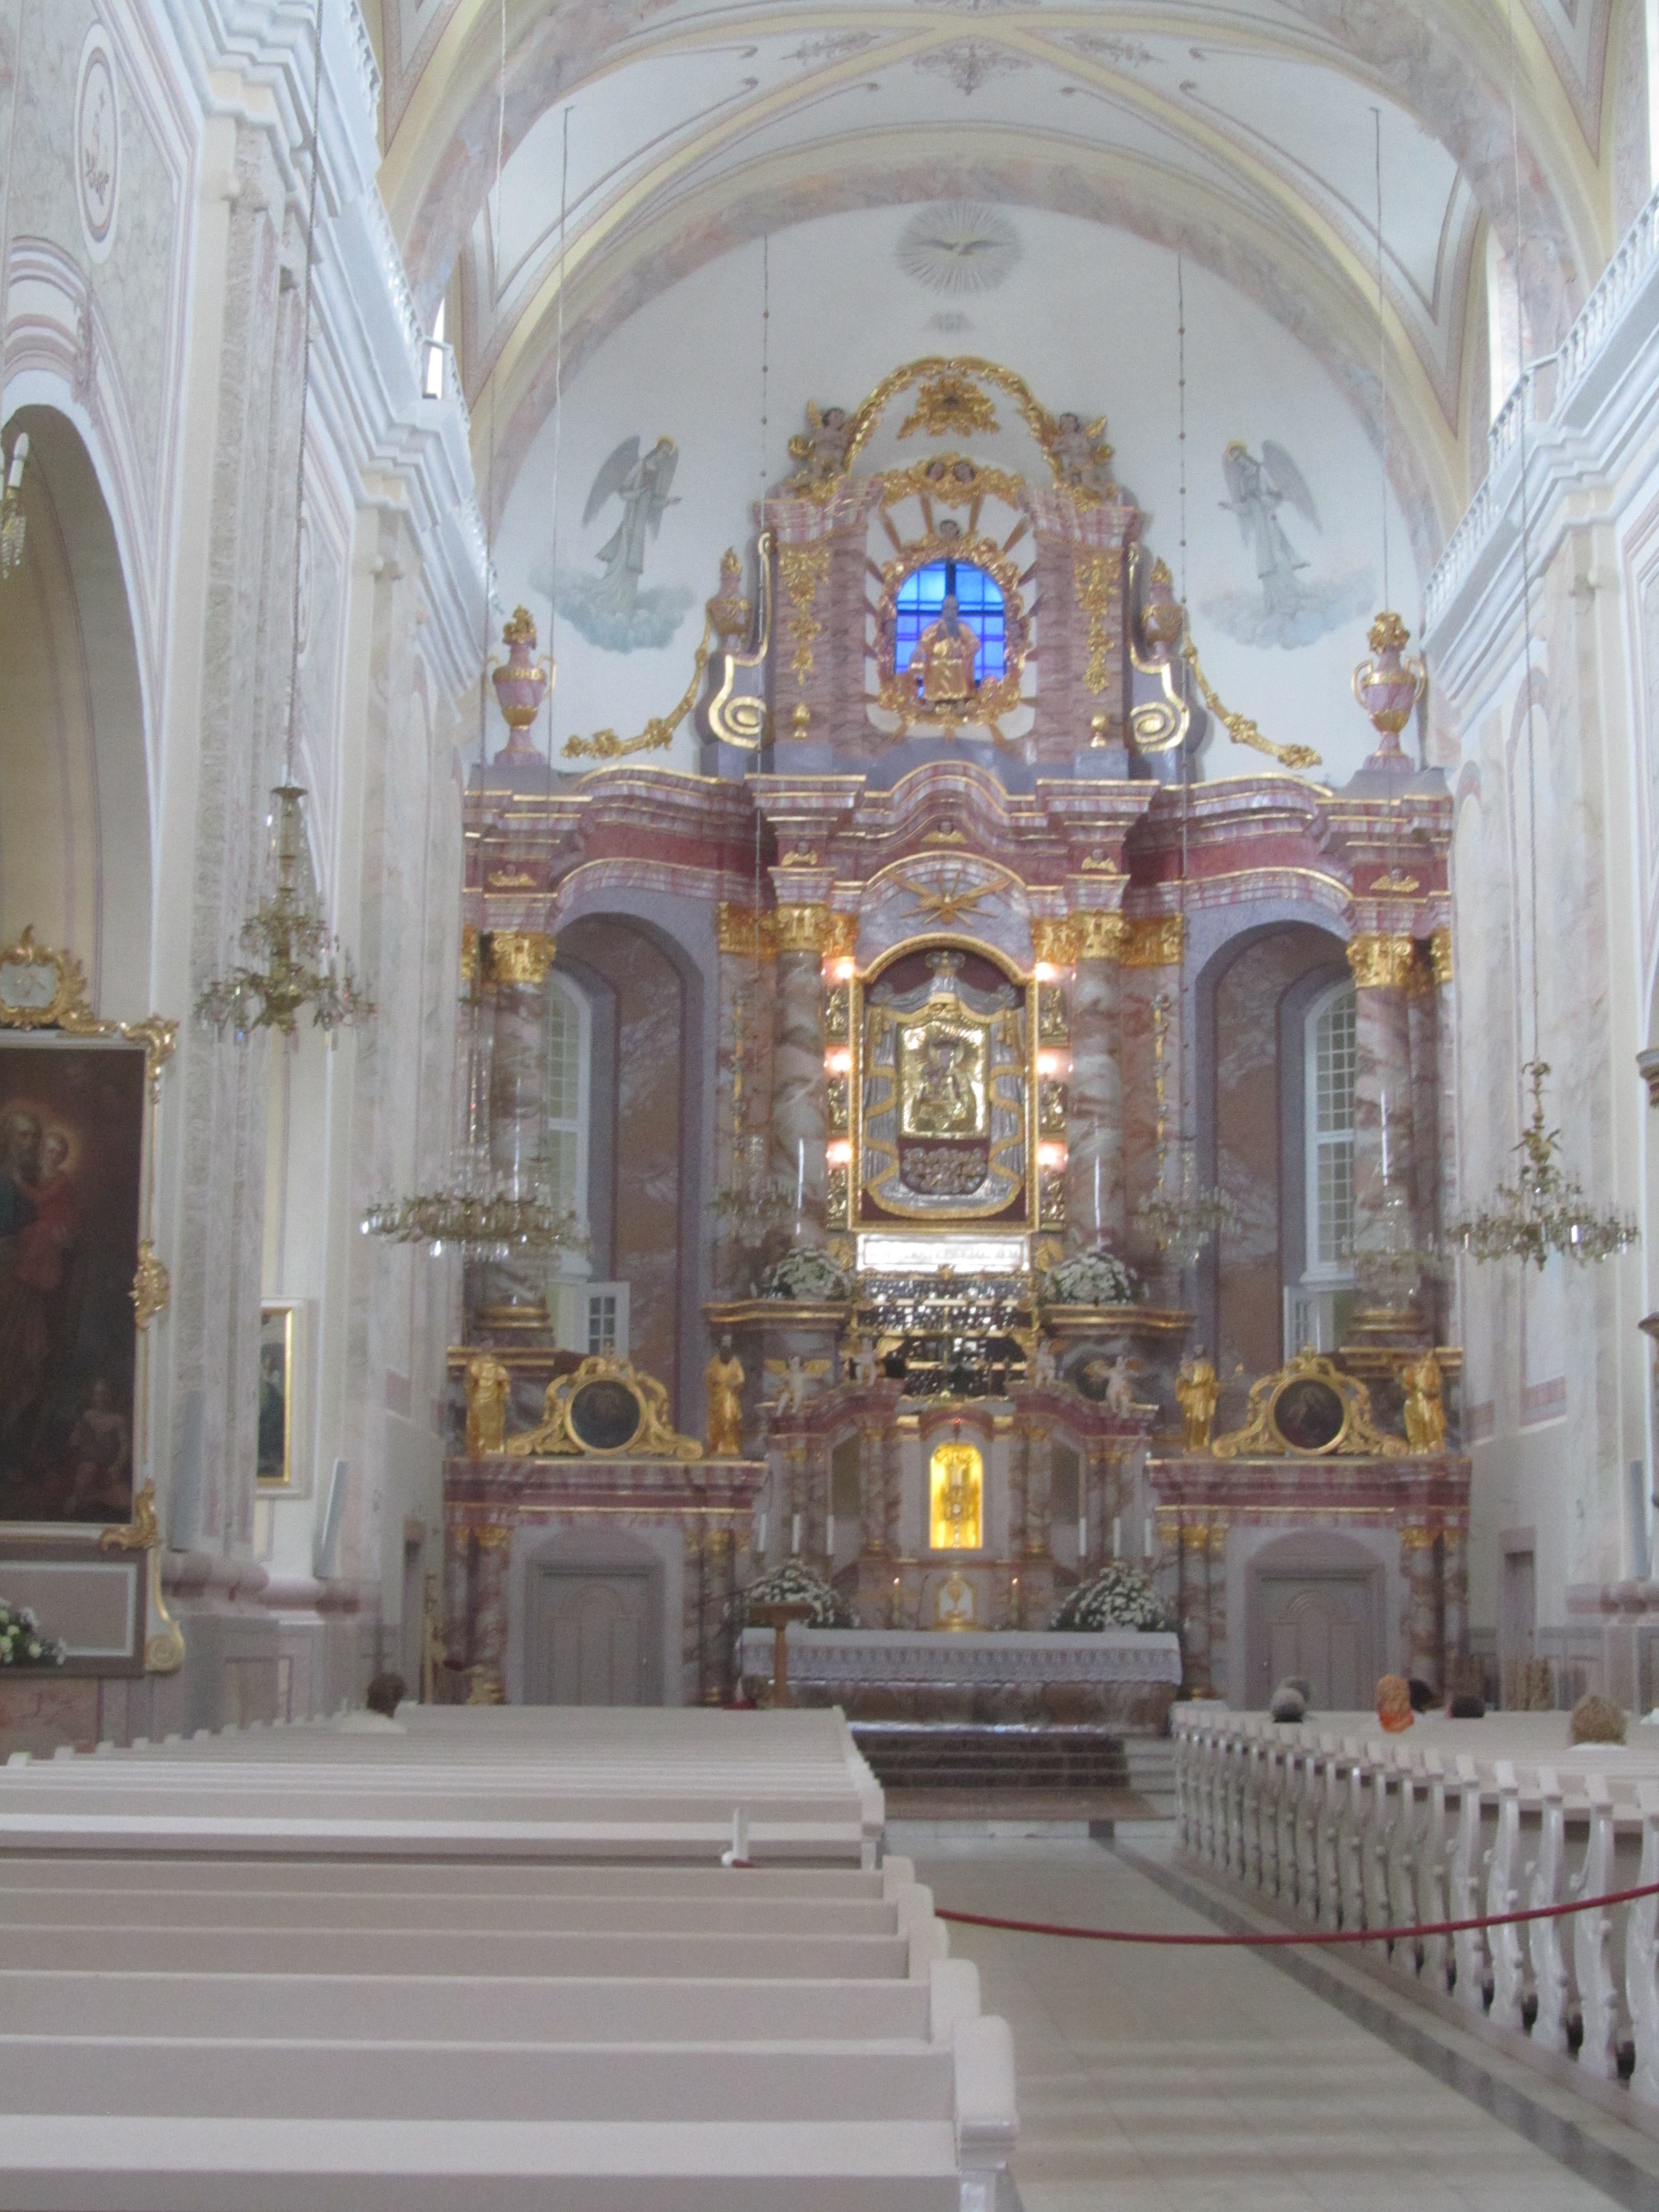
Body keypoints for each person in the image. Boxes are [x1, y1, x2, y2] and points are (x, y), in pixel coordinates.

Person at [908, 593, 979, 706]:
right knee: (935, 665)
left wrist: (962, 651)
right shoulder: (934, 627)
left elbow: (974, 643)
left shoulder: (963, 628)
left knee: (957, 664)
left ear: (957, 611)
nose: (950, 612)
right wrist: (920, 650)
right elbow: (924, 641)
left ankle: (960, 699)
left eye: (953, 609)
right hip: (937, 660)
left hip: (958, 660)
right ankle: (932, 699)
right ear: (943, 610)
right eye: (947, 608)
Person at [705, 1333, 746, 1457]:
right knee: (716, 1423)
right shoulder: (714, 1362)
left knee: (729, 1419)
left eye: (728, 1344)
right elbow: (707, 1375)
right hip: (717, 1397)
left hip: (730, 1397)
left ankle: (731, 1446)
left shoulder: (735, 1363)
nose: (726, 1346)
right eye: (724, 1344)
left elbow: (741, 1379)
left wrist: (734, 1384)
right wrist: (712, 1379)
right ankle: (716, 1447)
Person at [1176, 1351, 1220, 1450]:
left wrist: (1213, 1389)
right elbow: (1180, 1380)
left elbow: (1212, 1382)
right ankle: (1189, 1444)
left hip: (1202, 1397)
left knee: (1202, 1420)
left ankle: (1200, 1444)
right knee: (1190, 1420)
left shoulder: (1208, 1367)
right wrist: (1184, 1381)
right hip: (1190, 1396)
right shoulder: (1186, 1365)